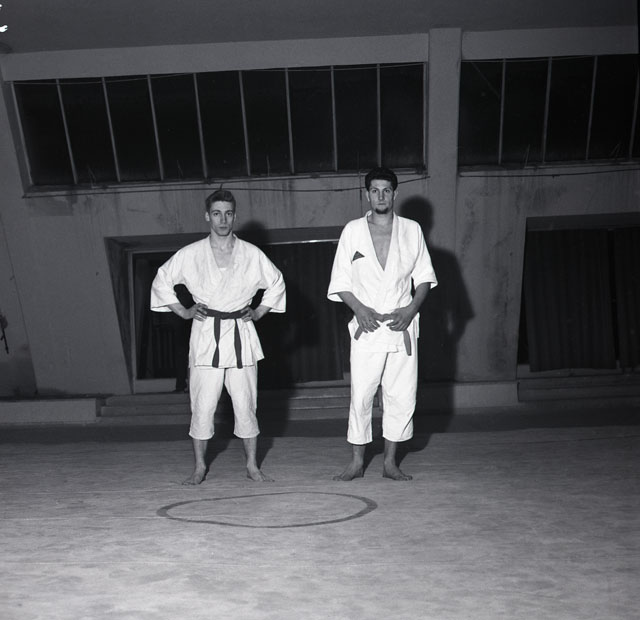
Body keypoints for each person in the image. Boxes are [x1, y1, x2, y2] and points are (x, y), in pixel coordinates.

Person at [151, 189, 286, 485]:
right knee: (202, 405)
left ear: (235, 216)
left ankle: (252, 465)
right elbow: (162, 280)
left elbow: (276, 282)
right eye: (216, 213)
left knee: (246, 403)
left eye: (228, 213)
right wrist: (183, 311)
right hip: (206, 334)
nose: (222, 220)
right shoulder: (191, 254)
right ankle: (200, 467)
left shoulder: (251, 254)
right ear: (207, 216)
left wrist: (259, 311)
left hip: (240, 333)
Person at [328, 167, 437, 481]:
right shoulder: (353, 231)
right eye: (375, 190)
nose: (380, 196)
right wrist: (359, 309)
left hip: (401, 326)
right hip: (367, 327)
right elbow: (340, 281)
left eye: (386, 190)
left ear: (395, 194)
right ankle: (356, 462)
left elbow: (424, 278)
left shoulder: (412, 230)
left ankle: (390, 462)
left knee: (400, 395)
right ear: (367, 195)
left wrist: (411, 310)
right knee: (361, 395)